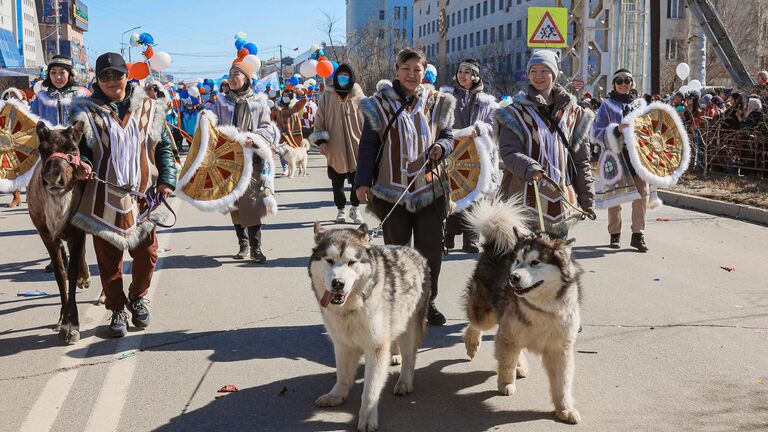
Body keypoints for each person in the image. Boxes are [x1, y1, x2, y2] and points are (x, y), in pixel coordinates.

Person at [69, 52, 177, 338]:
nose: (112, 81)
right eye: (105, 76)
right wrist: (83, 166)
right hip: (102, 196)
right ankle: (117, 308)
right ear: (97, 80)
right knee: (108, 259)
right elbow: (82, 152)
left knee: (147, 254)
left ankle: (138, 298)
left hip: (142, 196)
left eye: (117, 74)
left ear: (127, 75)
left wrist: (167, 180)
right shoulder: (85, 111)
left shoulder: (150, 107)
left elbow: (164, 146)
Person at [355, 47, 456, 326]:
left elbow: (449, 136)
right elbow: (368, 146)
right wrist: (362, 182)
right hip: (391, 191)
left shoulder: (438, 102)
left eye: (417, 69)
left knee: (430, 251)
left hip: (430, 189)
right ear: (397, 71)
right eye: (406, 69)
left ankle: (427, 302)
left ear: (425, 72)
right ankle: (399, 303)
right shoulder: (377, 104)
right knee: (397, 252)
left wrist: (441, 147)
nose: (412, 74)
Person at [494, 50, 595, 239]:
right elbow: (509, 151)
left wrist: (587, 198)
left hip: (561, 202)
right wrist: (530, 167)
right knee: (525, 262)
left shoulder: (574, 113)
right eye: (533, 71)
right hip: (524, 199)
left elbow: (581, 161)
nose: (538, 76)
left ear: (554, 74)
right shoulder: (514, 112)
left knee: (555, 263)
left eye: (544, 71)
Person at [211, 60, 278, 263]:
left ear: (247, 79)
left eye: (236, 75)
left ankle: (256, 246)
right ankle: (243, 244)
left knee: (252, 202)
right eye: (230, 74)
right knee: (236, 203)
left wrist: (254, 139)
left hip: (252, 158)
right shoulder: (221, 101)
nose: (231, 78)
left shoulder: (259, 101)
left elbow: (268, 128)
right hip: (229, 160)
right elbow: (213, 126)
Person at [30, 55, 90, 270]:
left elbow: (89, 121)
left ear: (70, 74)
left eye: (62, 72)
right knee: (38, 192)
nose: (58, 76)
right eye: (54, 72)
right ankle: (56, 251)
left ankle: (81, 253)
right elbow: (32, 119)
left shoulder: (81, 94)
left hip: (72, 151)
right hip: (50, 153)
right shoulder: (41, 96)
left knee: (88, 189)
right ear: (49, 75)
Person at [591, 68, 662, 252]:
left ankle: (638, 235)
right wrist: (616, 130)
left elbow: (650, 129)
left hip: (637, 158)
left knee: (642, 195)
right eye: (619, 81)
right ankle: (615, 233)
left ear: (632, 83)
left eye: (627, 80)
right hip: (614, 158)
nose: (623, 84)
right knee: (615, 198)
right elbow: (596, 132)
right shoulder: (606, 106)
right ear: (614, 84)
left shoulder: (640, 105)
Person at [440, 58, 499, 253]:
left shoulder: (487, 102)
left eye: (467, 72)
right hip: (451, 153)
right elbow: (437, 120)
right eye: (460, 71)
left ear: (475, 76)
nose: (462, 75)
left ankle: (471, 239)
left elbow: (493, 125)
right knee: (451, 192)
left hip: (476, 157)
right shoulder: (446, 97)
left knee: (476, 195)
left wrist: (479, 129)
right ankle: (447, 235)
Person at [309, 63, 366, 224]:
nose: (343, 78)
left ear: (352, 78)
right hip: (334, 145)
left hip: (357, 145)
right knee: (337, 181)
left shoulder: (359, 96)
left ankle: (355, 209)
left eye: (346, 76)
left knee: (357, 180)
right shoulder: (327, 96)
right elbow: (319, 118)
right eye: (340, 75)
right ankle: (341, 210)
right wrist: (321, 141)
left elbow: (368, 121)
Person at [1, 87, 28, 208]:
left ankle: (30, 193)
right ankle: (16, 197)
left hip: (25, 144)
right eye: (8, 96)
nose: (10, 98)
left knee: (29, 169)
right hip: (8, 145)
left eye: (13, 96)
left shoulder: (26, 109)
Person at [271, 87, 309, 174]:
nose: (285, 97)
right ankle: (285, 168)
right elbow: (271, 119)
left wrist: (302, 94)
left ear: (291, 97)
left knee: (294, 150)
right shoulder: (277, 108)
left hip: (292, 134)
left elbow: (303, 101)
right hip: (281, 134)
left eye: (287, 96)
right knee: (282, 151)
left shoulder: (294, 107)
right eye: (284, 95)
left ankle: (298, 167)